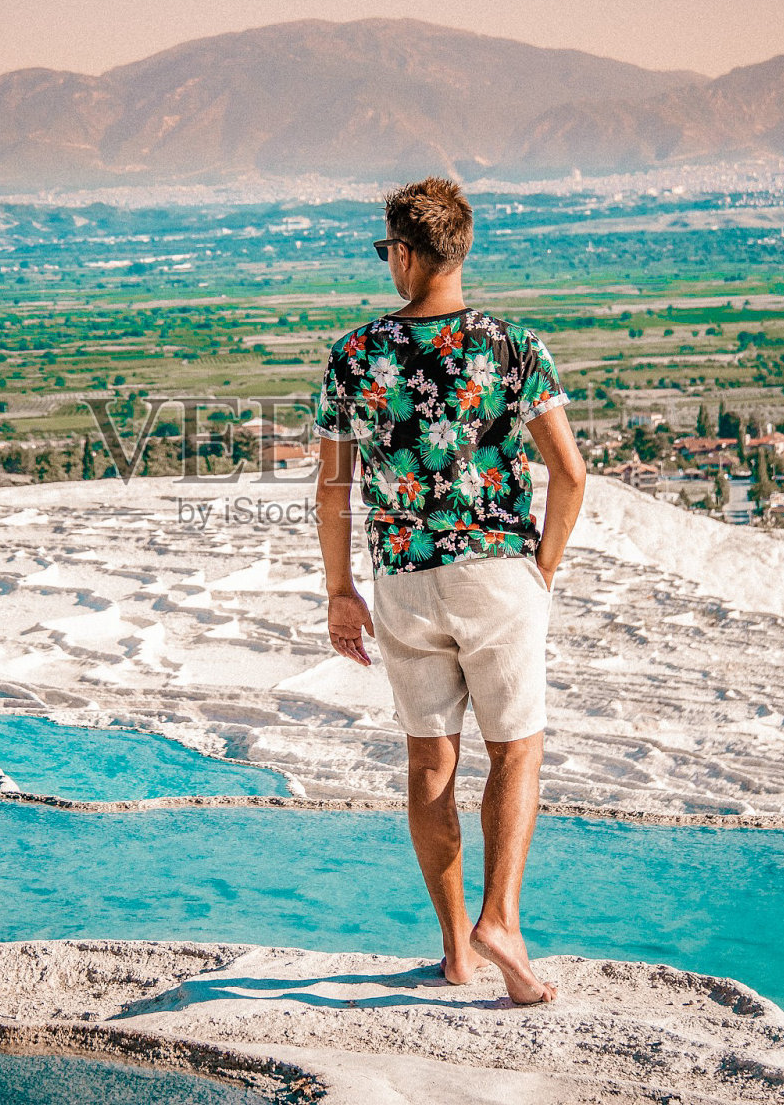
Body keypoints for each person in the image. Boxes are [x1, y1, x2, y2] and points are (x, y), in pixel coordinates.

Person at [312, 177, 586, 1005]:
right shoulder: (511, 347)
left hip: (402, 579)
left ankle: (455, 955)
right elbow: (570, 475)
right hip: (496, 571)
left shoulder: (354, 356)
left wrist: (339, 592)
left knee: (431, 758)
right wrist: (540, 569)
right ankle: (500, 919)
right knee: (517, 747)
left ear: (403, 253)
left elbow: (332, 491)